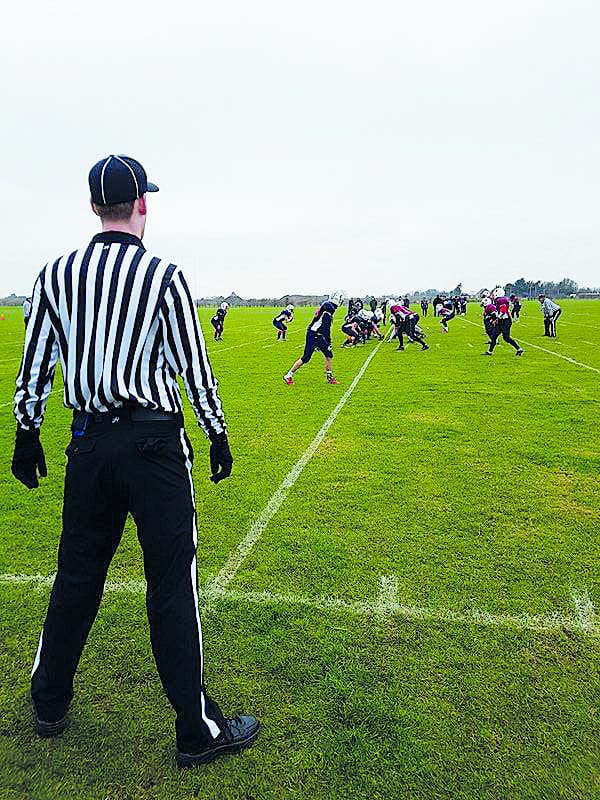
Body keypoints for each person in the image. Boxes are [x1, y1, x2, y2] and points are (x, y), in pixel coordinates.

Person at [11, 154, 258, 768]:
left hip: (89, 444)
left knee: (77, 575)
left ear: (95, 207)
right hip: (152, 446)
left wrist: (27, 429)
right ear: (141, 204)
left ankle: (48, 700)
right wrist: (217, 432)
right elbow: (192, 364)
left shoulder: (55, 274)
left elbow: (36, 361)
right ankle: (196, 729)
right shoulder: (164, 276)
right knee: (171, 583)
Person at [283, 292, 342, 384]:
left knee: (329, 354)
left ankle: (330, 377)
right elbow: (326, 327)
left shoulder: (327, 305)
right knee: (306, 358)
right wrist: (328, 342)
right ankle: (288, 375)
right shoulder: (329, 308)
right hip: (314, 334)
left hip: (318, 334)